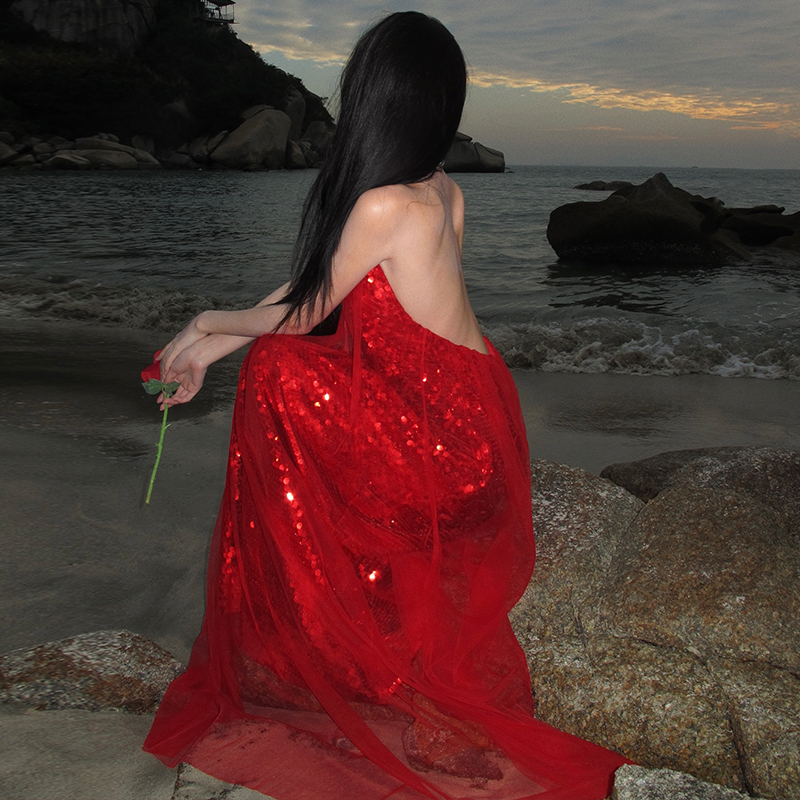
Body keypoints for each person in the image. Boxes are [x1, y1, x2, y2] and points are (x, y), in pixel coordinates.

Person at [144, 11, 630, 799]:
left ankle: (316, 631)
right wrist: (211, 345)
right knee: (278, 357)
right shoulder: (439, 190)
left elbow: (306, 314)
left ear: (373, 98)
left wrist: (205, 321)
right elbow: (318, 290)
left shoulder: (383, 204)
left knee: (280, 370)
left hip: (439, 442)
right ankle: (337, 638)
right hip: (472, 420)